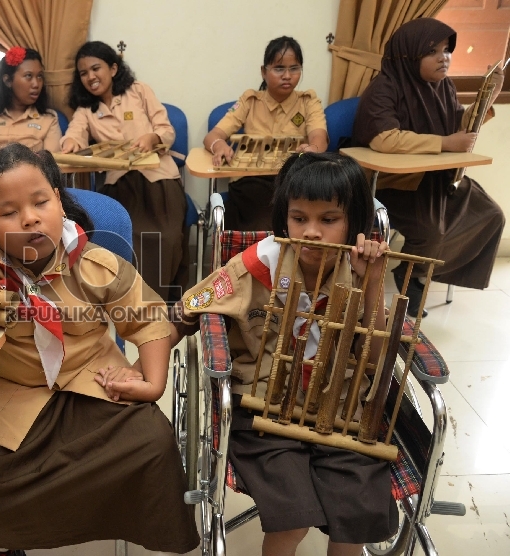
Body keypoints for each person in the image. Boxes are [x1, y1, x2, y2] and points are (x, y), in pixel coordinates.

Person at [0, 143, 199, 556]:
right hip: (11, 392)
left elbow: (150, 320)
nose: (29, 218)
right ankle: (6, 545)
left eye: (40, 202)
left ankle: (129, 525)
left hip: (93, 380)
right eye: (9, 213)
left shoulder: (94, 261)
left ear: (59, 201)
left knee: (153, 443)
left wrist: (153, 383)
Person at [172, 152, 396, 556]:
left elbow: (379, 357)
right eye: (299, 218)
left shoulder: (365, 268)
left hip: (341, 408)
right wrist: (148, 360)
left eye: (329, 220)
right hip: (264, 409)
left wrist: (374, 282)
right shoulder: (257, 263)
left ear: (355, 223)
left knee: (353, 525)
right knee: (291, 522)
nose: (311, 232)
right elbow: (192, 302)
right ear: (283, 218)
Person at [353, 18, 505, 317]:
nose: (444, 58)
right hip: (400, 184)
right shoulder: (385, 87)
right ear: (409, 54)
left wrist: (490, 95)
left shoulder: (443, 86)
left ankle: (420, 269)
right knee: (432, 231)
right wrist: (445, 144)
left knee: (491, 216)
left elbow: (460, 126)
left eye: (447, 50)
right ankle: (414, 272)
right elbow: (384, 138)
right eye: (432, 51)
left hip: (438, 179)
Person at [61, 40, 186, 303]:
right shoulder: (86, 110)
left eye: (96, 69)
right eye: (84, 73)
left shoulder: (139, 91)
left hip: (159, 177)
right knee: (127, 233)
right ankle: (129, 301)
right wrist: (70, 143)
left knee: (167, 235)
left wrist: (153, 137)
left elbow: (167, 129)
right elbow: (75, 133)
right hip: (120, 183)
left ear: (114, 69)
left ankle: (158, 302)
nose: (91, 77)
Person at [203, 36, 328, 231]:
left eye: (294, 69)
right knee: (266, 223)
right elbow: (212, 135)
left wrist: (313, 149)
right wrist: (219, 145)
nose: (287, 75)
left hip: (291, 179)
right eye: (279, 69)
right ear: (264, 71)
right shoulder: (249, 101)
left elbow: (319, 136)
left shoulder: (308, 101)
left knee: (306, 218)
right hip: (251, 180)